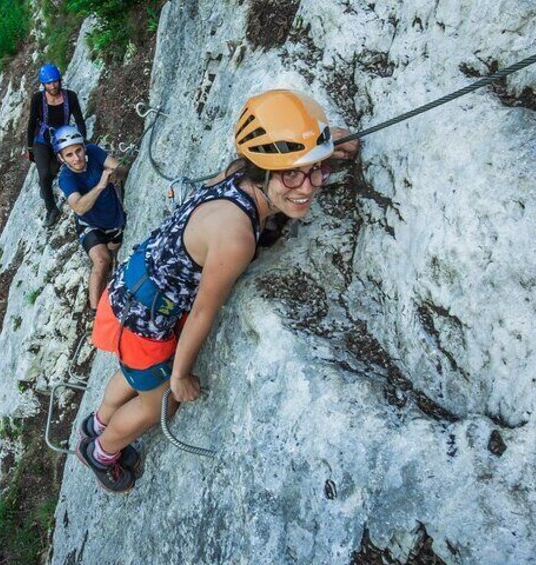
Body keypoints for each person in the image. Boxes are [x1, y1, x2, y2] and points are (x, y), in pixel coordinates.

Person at [77, 89, 360, 493]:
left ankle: (98, 421)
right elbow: (202, 313)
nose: (309, 186)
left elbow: (284, 154)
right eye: (293, 174)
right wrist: (179, 377)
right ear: (263, 170)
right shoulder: (236, 238)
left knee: (132, 371)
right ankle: (102, 450)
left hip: (131, 287)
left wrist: (326, 144)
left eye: (316, 170)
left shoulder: (236, 173)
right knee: (159, 401)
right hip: (147, 322)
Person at [52, 125, 127, 318]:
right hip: (90, 225)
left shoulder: (93, 152)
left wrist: (116, 172)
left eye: (78, 150)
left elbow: (121, 168)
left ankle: (109, 281)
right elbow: (78, 207)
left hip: (114, 220)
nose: (76, 158)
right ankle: (95, 311)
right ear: (61, 158)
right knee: (102, 261)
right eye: (69, 155)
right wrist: (102, 184)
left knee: (113, 252)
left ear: (84, 147)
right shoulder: (66, 178)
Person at [26, 63, 87, 227]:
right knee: (44, 173)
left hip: (62, 141)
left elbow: (80, 121)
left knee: (54, 170)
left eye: (55, 82)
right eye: (48, 83)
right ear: (43, 84)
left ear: (60, 81)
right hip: (41, 140)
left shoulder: (70, 97)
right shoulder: (38, 99)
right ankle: (51, 209)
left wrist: (82, 141)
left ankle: (45, 188)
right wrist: (29, 147)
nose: (52, 86)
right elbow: (32, 122)